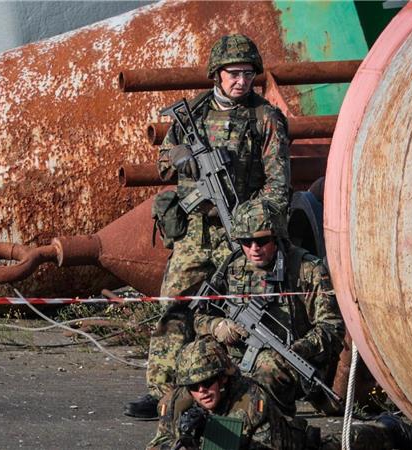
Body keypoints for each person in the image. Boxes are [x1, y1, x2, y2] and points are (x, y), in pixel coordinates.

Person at [126, 33, 291, 419]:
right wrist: (181, 156)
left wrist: (255, 225)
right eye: (234, 74)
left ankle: (236, 393)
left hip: (241, 234)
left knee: (244, 314)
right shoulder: (195, 114)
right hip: (196, 232)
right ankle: (163, 392)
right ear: (217, 74)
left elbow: (278, 185)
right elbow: (164, 163)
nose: (241, 81)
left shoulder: (265, 118)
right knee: (175, 307)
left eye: (248, 74)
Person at [193, 199, 344, 416]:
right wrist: (217, 326)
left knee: (266, 369)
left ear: (277, 237)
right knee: (195, 363)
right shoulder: (232, 266)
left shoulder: (307, 269)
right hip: (237, 357)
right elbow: (199, 314)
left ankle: (268, 422)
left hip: (290, 362)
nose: (254, 249)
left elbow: (332, 327)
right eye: (246, 242)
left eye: (262, 241)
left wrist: (298, 349)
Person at [147, 336, 317, 450]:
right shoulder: (174, 405)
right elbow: (158, 443)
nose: (201, 391)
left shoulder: (251, 401)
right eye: (193, 386)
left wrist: (213, 434)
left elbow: (267, 446)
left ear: (222, 379)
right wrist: (183, 443)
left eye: (207, 382)